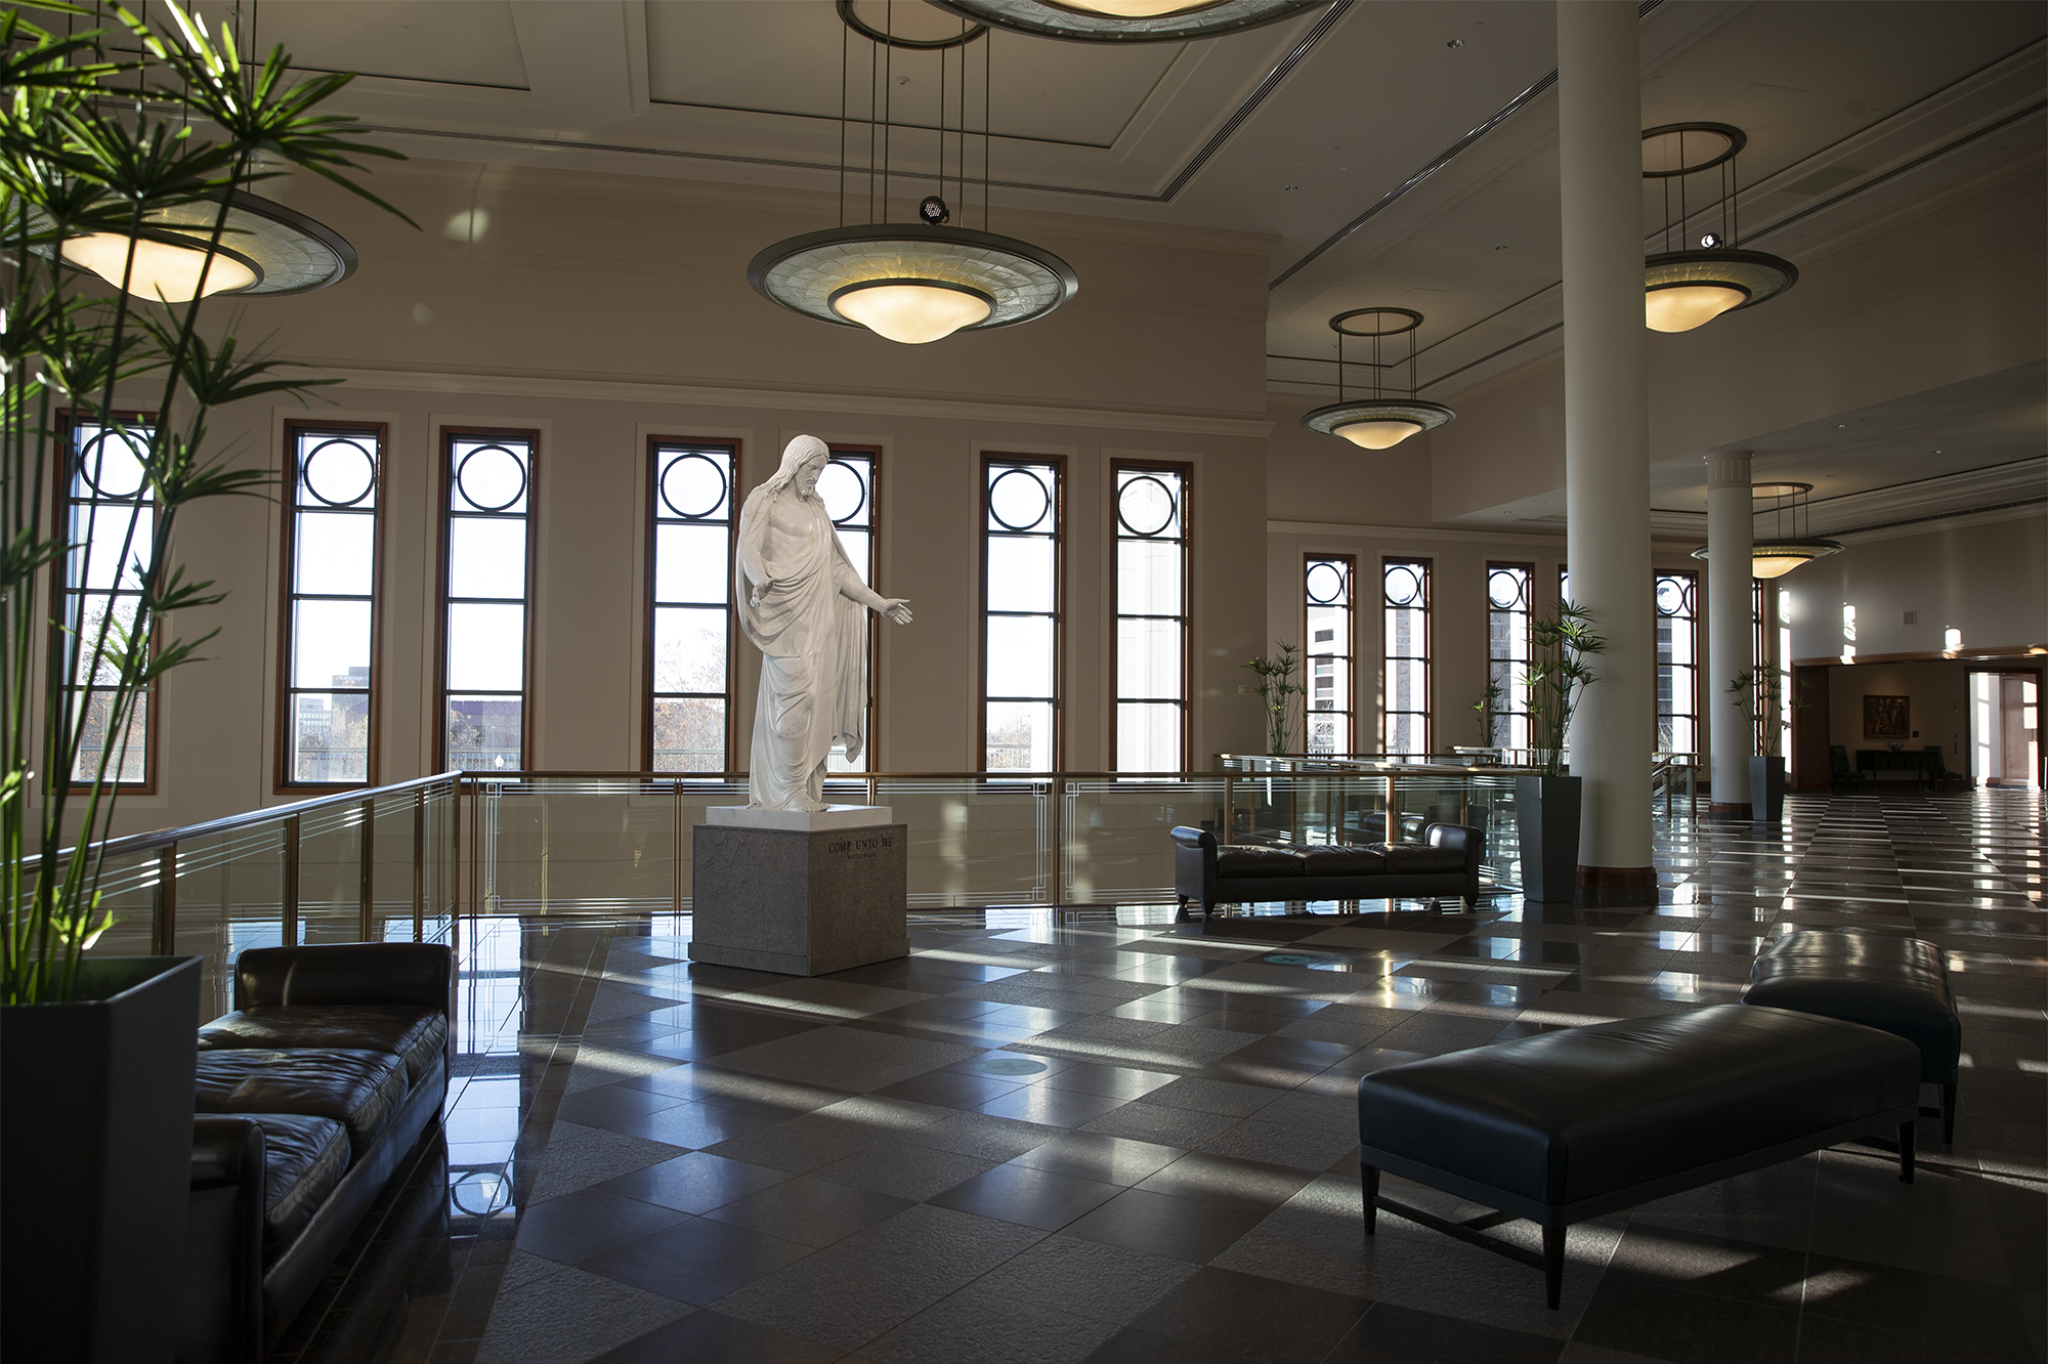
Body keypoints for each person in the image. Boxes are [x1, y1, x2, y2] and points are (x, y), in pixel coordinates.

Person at [736, 435, 912, 811]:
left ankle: (800, 787)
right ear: (794, 462)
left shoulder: (817, 509)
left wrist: (879, 602)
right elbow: (748, 548)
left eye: (820, 470)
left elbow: (836, 570)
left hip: (818, 620)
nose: (815, 476)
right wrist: (759, 578)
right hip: (785, 617)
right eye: (811, 467)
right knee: (796, 700)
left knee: (816, 703)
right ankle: (787, 791)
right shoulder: (763, 499)